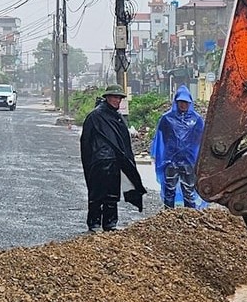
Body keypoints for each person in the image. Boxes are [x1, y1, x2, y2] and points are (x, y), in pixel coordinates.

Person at [80, 87, 147, 231]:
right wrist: (90, 160)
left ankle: (110, 224)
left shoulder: (117, 117)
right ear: (107, 97)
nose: (117, 101)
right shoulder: (95, 116)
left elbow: (124, 141)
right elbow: (86, 141)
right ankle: (94, 223)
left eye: (119, 98)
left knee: (112, 194)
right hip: (99, 161)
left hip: (114, 162)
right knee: (97, 194)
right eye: (115, 97)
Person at [150, 85, 207, 208]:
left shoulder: (196, 119)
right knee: (169, 189)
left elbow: (200, 138)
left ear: (190, 103)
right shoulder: (166, 118)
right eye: (181, 102)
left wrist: (190, 150)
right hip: (171, 160)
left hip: (189, 160)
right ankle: (168, 214)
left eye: (186, 102)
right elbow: (162, 137)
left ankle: (190, 215)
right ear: (176, 102)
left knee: (189, 189)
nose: (183, 105)